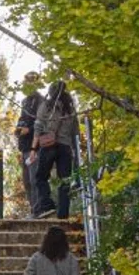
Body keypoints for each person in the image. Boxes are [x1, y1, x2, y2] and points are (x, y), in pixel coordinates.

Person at [32, 80, 77, 220]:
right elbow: (75, 132)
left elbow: (38, 127)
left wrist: (33, 148)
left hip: (48, 146)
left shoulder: (46, 105)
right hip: (65, 147)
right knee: (65, 180)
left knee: (41, 177)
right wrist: (75, 151)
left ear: (51, 92)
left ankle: (47, 206)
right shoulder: (70, 108)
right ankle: (63, 214)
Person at [14, 71, 46, 217]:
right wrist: (19, 129)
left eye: (30, 81)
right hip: (25, 146)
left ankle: (38, 210)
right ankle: (33, 209)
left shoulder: (41, 100)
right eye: (26, 81)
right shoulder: (25, 101)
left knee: (34, 179)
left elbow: (42, 123)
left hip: (36, 146)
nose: (27, 84)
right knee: (27, 181)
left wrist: (30, 129)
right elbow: (22, 120)